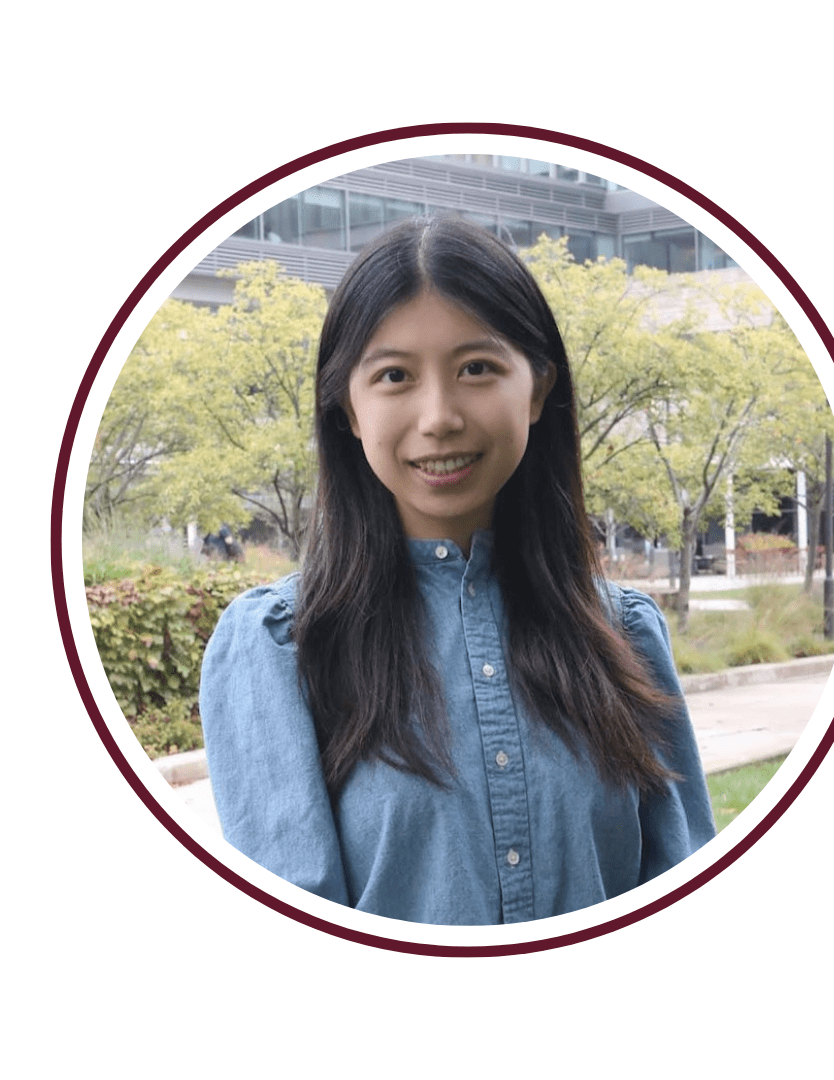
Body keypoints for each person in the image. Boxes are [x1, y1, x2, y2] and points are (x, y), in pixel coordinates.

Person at [199, 217, 715, 926]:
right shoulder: (281, 649)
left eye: (477, 367)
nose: (438, 417)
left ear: (536, 389)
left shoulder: (622, 633)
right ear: (348, 407)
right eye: (394, 376)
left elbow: (685, 908)